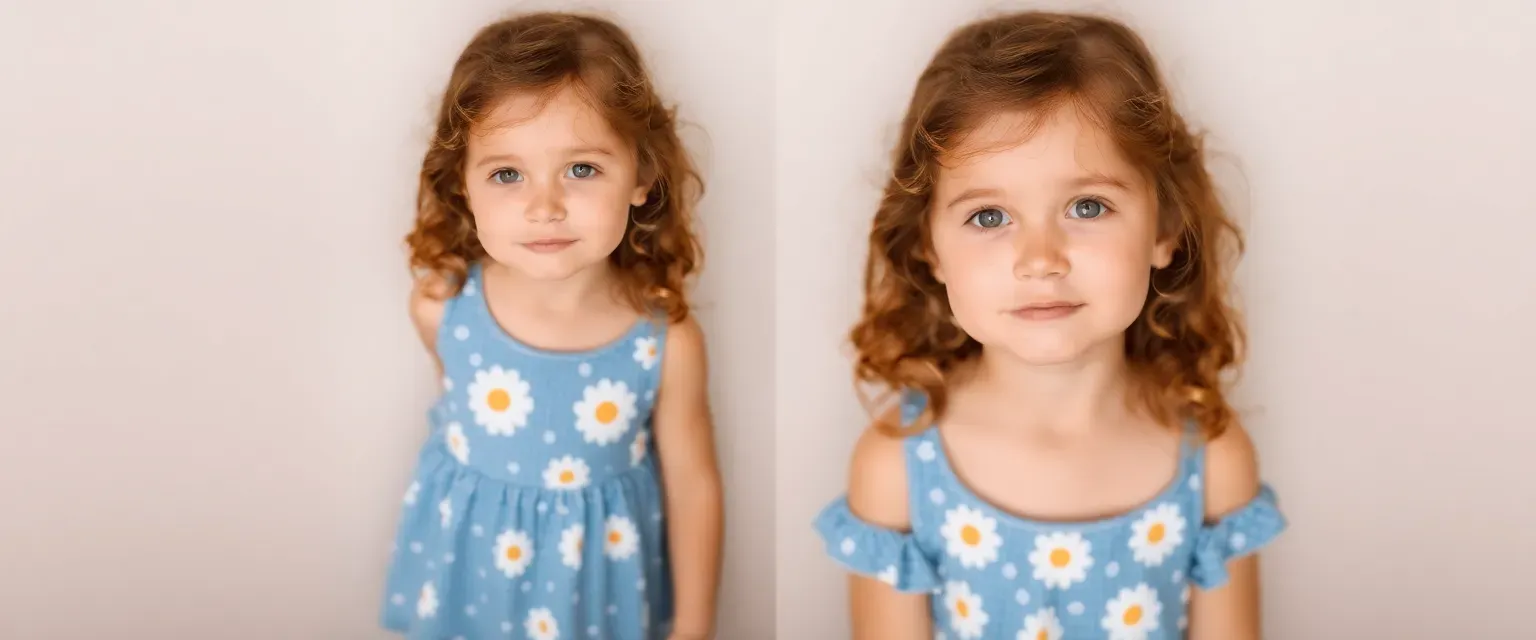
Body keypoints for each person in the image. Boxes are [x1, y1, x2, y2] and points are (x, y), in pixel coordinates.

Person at [815, 11, 1286, 639]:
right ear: (929, 245)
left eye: (1087, 206)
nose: (1041, 259)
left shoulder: (1213, 462)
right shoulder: (897, 469)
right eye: (989, 217)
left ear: (1166, 227)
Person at [380, 12, 724, 640]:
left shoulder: (665, 342)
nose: (545, 206)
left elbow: (694, 486)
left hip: (596, 592)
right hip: (469, 576)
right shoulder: (441, 308)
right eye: (507, 174)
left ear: (642, 175)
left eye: (581, 169)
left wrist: (694, 626)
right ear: (464, 183)